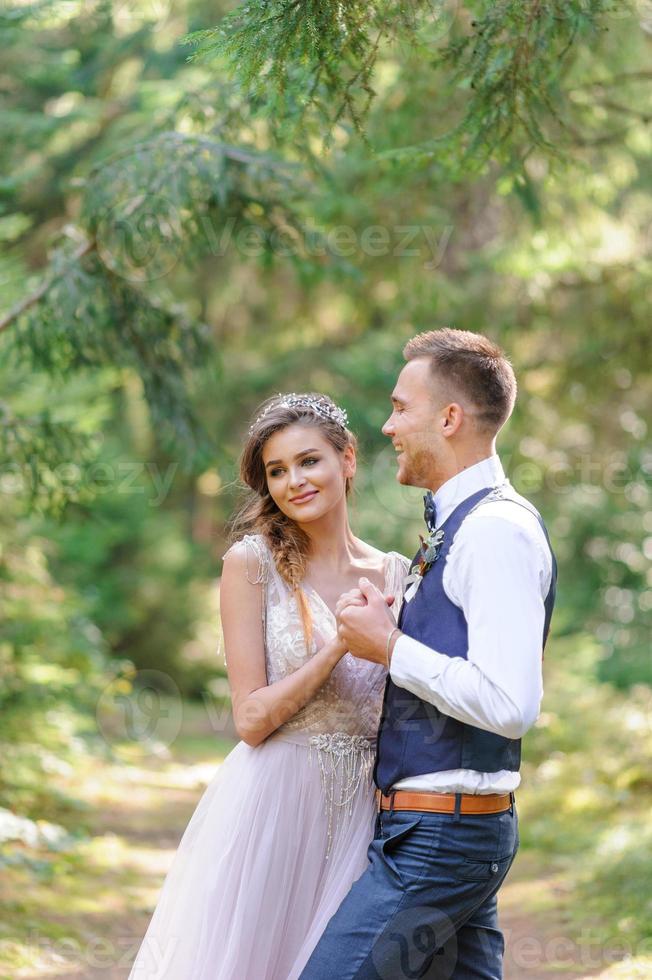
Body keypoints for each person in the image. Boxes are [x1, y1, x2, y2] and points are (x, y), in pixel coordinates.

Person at [300, 328, 558, 980]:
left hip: (442, 840)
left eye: (400, 407)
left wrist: (390, 647)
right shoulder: (462, 525)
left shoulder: (494, 532)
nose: (388, 426)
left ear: (450, 418)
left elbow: (509, 703)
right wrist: (395, 628)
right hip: (441, 833)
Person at [127, 392, 409, 980]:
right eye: (276, 471)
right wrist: (338, 646)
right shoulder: (251, 562)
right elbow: (251, 721)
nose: (293, 482)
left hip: (363, 812)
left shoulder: (393, 573)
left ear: (348, 459)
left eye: (309, 461)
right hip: (274, 804)